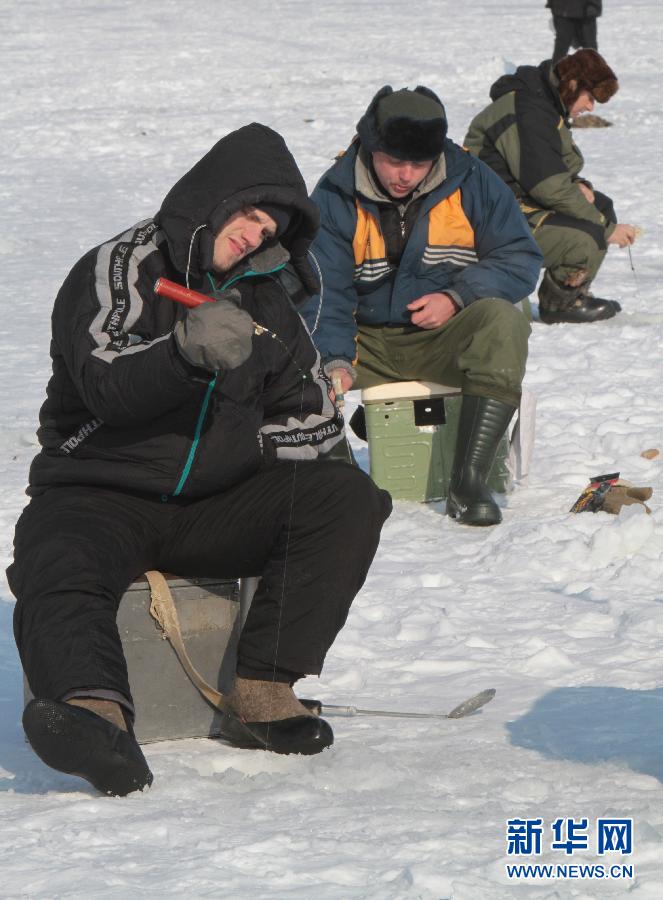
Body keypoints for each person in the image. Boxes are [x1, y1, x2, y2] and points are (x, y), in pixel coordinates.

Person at [7, 123, 392, 797]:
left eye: (268, 226)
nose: (253, 233)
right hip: (100, 490)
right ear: (211, 201)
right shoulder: (121, 267)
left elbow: (296, 408)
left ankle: (262, 692)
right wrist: (183, 353)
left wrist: (325, 465)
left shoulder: (267, 298)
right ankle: (94, 718)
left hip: (215, 504)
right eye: (247, 214)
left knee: (347, 496)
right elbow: (107, 381)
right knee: (57, 557)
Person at [301, 85, 542, 528]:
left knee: (504, 321)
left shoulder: (472, 180)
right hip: (363, 342)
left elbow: (520, 258)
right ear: (371, 147)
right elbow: (324, 291)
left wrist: (456, 298)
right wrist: (334, 358)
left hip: (441, 339)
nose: (405, 175)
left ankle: (468, 481)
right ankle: (339, 479)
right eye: (395, 161)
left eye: (418, 164)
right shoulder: (335, 195)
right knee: (286, 344)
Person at [464, 49, 637, 325]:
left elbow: (553, 170)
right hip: (489, 216)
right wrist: (607, 229)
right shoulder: (528, 111)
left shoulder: (543, 106)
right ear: (571, 86)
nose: (591, 107)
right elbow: (550, 186)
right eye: (590, 98)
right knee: (591, 234)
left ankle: (569, 292)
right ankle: (560, 305)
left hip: (515, 200)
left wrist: (579, 185)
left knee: (599, 207)